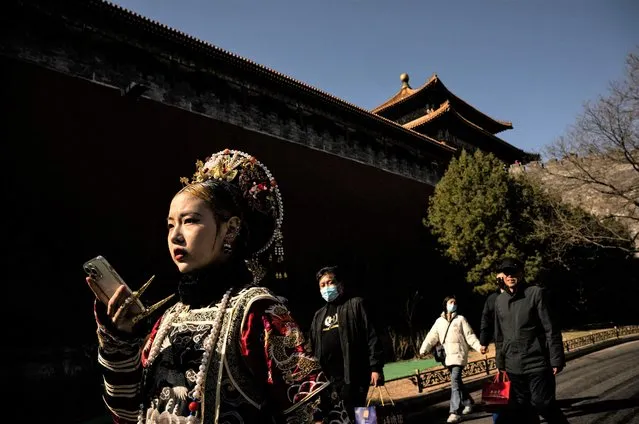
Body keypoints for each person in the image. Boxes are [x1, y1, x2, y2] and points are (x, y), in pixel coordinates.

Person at [86, 149, 349, 424]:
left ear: (231, 229)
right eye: (170, 224)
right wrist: (121, 340)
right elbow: (127, 414)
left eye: (190, 221)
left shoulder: (258, 313)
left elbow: (314, 412)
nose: (175, 236)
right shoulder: (166, 320)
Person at [493, 258, 568, 424]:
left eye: (514, 272)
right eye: (507, 273)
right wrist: (500, 364)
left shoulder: (535, 293)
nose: (510, 276)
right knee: (523, 410)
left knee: (543, 404)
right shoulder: (500, 301)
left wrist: (556, 358)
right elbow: (499, 336)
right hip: (513, 365)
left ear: (522, 273)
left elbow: (550, 328)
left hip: (537, 362)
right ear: (503, 276)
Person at [308, 266, 385, 422]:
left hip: (355, 376)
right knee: (336, 418)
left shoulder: (356, 304)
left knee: (362, 418)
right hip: (328, 381)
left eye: (330, 282)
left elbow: (372, 336)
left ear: (340, 284)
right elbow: (311, 346)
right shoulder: (318, 316)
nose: (326, 287)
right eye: (322, 285)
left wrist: (375, 367)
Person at [419, 296, 482, 423]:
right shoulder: (439, 321)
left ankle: (454, 412)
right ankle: (468, 402)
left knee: (454, 382)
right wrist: (423, 349)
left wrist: (479, 347)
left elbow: (470, 336)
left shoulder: (460, 319)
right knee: (457, 382)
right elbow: (431, 336)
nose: (453, 304)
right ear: (445, 305)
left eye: (455, 302)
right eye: (450, 302)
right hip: (446, 357)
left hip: (459, 355)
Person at [479, 274, 506, 424]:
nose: (500, 281)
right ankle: (499, 418)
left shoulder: (522, 296)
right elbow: (486, 320)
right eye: (498, 278)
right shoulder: (492, 299)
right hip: (500, 344)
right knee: (501, 381)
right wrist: (483, 341)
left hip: (519, 346)